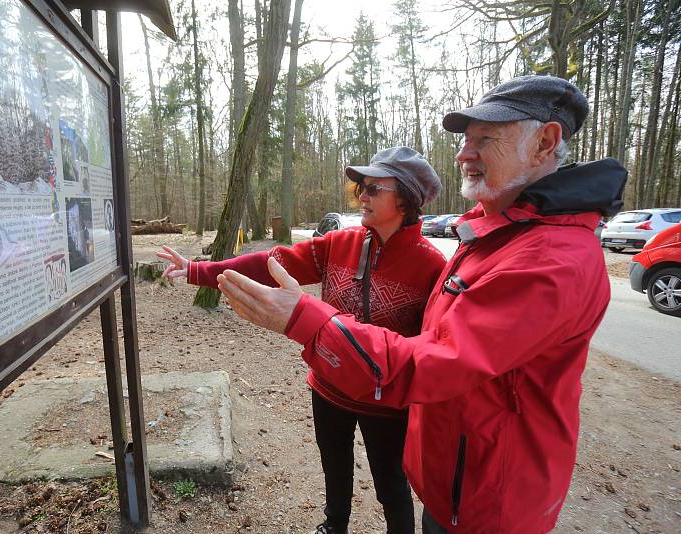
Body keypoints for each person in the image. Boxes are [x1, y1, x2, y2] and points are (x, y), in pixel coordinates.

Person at [215, 75, 628, 533]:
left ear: (546, 142)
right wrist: (201, 271)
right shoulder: (494, 238)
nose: (463, 154)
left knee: (389, 485)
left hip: (487, 500)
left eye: (483, 140)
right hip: (452, 477)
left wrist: (308, 322)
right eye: (465, 141)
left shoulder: (548, 259)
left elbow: (437, 361)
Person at [158, 147, 446, 534]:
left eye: (375, 189)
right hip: (328, 386)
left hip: (387, 400)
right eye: (360, 187)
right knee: (334, 465)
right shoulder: (338, 243)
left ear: (407, 199)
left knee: (391, 483)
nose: (362, 195)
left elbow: (435, 343)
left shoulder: (431, 264)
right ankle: (334, 526)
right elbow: (270, 263)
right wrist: (198, 270)